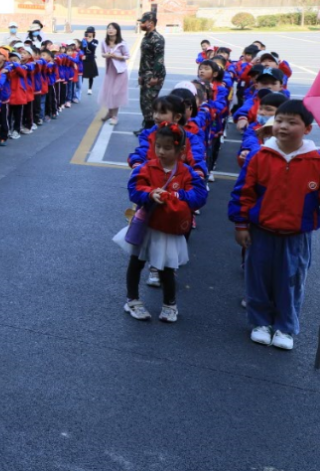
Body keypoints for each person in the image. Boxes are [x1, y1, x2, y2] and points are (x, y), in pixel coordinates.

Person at [229, 99, 320, 351]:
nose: (283, 126)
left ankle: (285, 326)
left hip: (296, 235)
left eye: (292, 122)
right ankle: (260, 322)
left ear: (307, 129)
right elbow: (244, 192)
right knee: (258, 278)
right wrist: (241, 224)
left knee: (291, 280)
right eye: (279, 120)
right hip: (261, 231)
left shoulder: (316, 161)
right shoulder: (261, 155)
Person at [120, 124, 208, 322]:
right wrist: (150, 194)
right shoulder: (147, 167)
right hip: (147, 224)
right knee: (136, 262)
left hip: (169, 227)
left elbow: (200, 196)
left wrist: (174, 195)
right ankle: (132, 299)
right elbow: (134, 189)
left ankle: (170, 304)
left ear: (180, 150)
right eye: (158, 146)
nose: (161, 151)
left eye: (167, 148)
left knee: (168, 267)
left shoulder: (187, 173)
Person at [136, 11, 166, 134]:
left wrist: (155, 76)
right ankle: (147, 125)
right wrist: (140, 74)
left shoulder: (157, 38)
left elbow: (159, 59)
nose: (141, 24)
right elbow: (143, 58)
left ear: (151, 23)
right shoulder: (147, 37)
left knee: (150, 101)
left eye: (143, 22)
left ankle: (151, 129)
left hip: (154, 74)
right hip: (145, 73)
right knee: (144, 101)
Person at [98, 22, 129, 125]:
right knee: (108, 93)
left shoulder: (122, 43)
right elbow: (102, 54)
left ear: (117, 31)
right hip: (110, 71)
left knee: (116, 94)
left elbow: (127, 56)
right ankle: (109, 113)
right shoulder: (104, 42)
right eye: (108, 28)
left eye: (113, 28)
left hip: (120, 71)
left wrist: (116, 56)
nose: (110, 30)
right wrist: (106, 55)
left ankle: (114, 116)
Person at [81, 26, 99, 95]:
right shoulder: (83, 40)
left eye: (91, 32)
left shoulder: (95, 41)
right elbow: (82, 48)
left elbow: (92, 48)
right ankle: (80, 87)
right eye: (88, 32)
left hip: (91, 58)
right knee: (82, 74)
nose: (89, 34)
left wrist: (88, 41)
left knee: (91, 75)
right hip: (84, 58)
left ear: (93, 33)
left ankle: (90, 88)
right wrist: (84, 41)